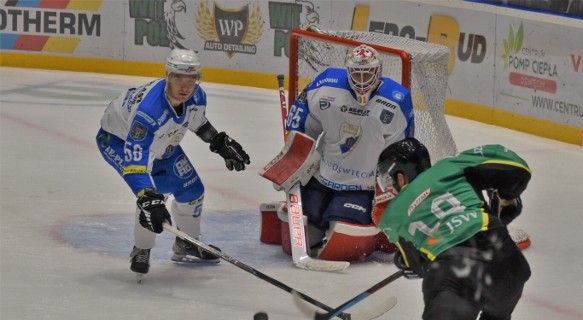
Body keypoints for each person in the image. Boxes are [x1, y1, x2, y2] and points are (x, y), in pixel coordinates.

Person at [96, 49, 250, 277]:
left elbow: (196, 121)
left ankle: (187, 244)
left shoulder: (197, 96)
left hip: (163, 141)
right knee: (151, 195)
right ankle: (142, 248)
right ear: (168, 75)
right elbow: (136, 165)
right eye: (178, 77)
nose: (185, 86)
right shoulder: (148, 112)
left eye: (192, 79)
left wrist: (218, 142)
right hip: (117, 141)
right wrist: (147, 197)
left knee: (193, 190)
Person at [375, 139, 532, 320]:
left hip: (453, 268)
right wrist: (506, 197)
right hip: (504, 257)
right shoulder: (451, 166)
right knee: (497, 311)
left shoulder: (391, 218)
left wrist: (405, 261)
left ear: (401, 176)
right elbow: (519, 168)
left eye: (391, 180)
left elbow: (418, 265)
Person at [281, 44, 415, 261]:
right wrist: (295, 156)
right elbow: (302, 123)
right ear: (347, 70)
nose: (362, 79)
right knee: (307, 231)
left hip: (362, 185)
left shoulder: (396, 100)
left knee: (340, 235)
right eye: (356, 72)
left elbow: (400, 151)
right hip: (322, 176)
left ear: (378, 71)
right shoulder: (326, 85)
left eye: (367, 72)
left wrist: (389, 189)